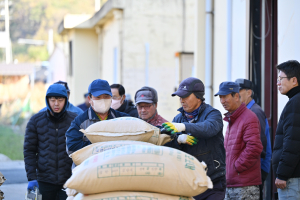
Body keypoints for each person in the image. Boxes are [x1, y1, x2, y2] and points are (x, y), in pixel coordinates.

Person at [163, 77, 226, 200]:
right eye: (180, 97)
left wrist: (183, 127)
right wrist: (178, 140)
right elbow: (169, 148)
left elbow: (208, 128)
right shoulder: (178, 119)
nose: (181, 100)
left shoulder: (213, 114)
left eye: (185, 96)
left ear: (198, 97)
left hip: (213, 183)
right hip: (188, 183)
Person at [24, 84, 77, 200]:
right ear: (47, 100)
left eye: (60, 100)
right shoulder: (36, 121)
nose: (56, 104)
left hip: (69, 180)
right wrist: (31, 178)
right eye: (52, 100)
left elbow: (82, 150)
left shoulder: (75, 120)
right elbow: (29, 151)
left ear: (66, 100)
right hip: (44, 181)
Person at [215, 81, 263, 200]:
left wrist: (236, 167)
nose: (222, 101)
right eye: (220, 97)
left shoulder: (249, 117)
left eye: (225, 97)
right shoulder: (232, 118)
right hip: (232, 184)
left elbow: (255, 148)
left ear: (236, 96)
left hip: (245, 186)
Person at [66, 79, 129, 154]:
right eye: (98, 97)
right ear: (90, 99)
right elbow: (71, 148)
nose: (102, 100)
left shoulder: (123, 119)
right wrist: (102, 146)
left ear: (111, 98)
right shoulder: (79, 122)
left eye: (106, 97)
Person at [235, 78, 272, 200]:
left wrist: (239, 165)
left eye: (239, 91)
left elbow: (258, 146)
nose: (236, 94)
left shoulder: (255, 111)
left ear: (249, 93)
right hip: (250, 168)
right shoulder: (244, 111)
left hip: (256, 169)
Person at [273, 60, 300, 199]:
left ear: (294, 80)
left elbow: (293, 142)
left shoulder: (295, 103)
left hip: (292, 180)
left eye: (280, 79)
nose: (278, 83)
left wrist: (282, 174)